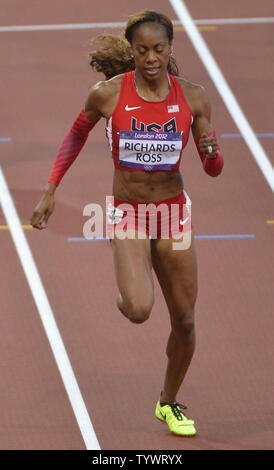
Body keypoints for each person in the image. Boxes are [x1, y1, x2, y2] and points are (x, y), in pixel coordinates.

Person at [30, 10, 224, 437]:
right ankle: (125, 275)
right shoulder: (107, 94)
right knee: (138, 309)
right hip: (130, 213)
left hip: (173, 213)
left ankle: (168, 403)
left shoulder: (193, 97)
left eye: (158, 49)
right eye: (142, 50)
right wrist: (50, 188)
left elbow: (213, 168)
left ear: (171, 49)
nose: (151, 57)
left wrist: (211, 153)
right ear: (131, 51)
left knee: (186, 322)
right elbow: (75, 135)